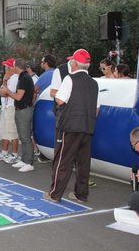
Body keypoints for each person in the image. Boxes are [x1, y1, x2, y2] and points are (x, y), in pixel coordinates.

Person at [43, 49, 100, 203]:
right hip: (87, 126)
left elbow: (60, 100)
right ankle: (81, 194)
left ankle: (55, 193)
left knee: (64, 160)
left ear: (74, 64)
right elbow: (96, 108)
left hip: (70, 126)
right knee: (83, 161)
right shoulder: (94, 83)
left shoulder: (70, 79)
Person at [1, 58, 35, 172]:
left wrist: (7, 92)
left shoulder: (24, 78)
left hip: (24, 109)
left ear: (16, 67)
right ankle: (25, 159)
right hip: (21, 109)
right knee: (22, 136)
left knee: (25, 137)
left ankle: (29, 162)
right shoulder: (23, 77)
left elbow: (18, 96)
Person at [0, 59, 20, 163]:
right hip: (5, 107)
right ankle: (4, 153)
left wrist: (4, 81)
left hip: (11, 107)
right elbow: (0, 91)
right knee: (3, 130)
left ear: (10, 68)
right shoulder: (10, 79)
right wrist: (3, 91)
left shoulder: (15, 79)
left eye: (6, 67)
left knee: (12, 131)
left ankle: (15, 154)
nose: (5, 69)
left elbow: (5, 93)